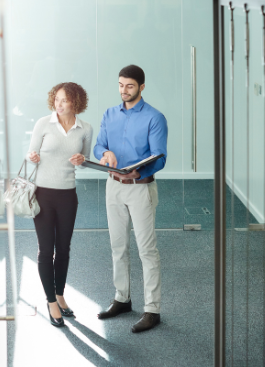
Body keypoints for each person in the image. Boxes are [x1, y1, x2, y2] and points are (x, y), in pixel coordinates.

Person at [94, 64, 168, 333]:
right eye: (121, 85)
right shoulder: (110, 114)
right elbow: (98, 144)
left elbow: (160, 156)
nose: (124, 91)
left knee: (147, 250)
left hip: (140, 188)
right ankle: (122, 299)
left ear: (141, 87)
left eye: (130, 86)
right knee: (118, 246)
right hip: (113, 186)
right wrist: (105, 154)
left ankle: (153, 309)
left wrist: (140, 170)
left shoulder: (154, 117)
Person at [27, 82, 93, 327]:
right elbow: (31, 154)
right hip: (43, 193)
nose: (59, 104)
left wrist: (82, 159)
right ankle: (50, 301)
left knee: (63, 249)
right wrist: (33, 156)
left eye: (64, 100)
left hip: (68, 195)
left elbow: (84, 161)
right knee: (46, 250)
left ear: (76, 102)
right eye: (57, 100)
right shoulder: (43, 124)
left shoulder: (85, 129)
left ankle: (60, 294)